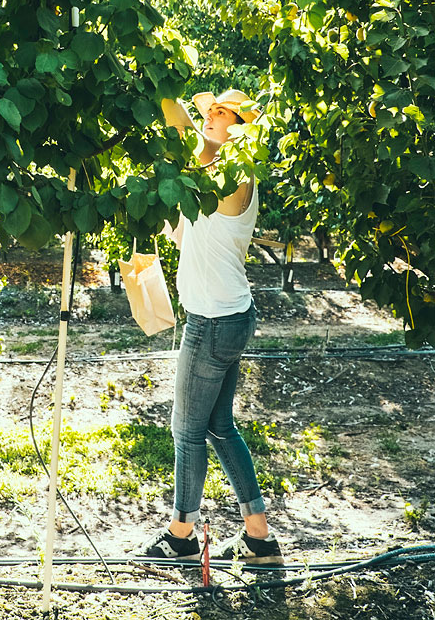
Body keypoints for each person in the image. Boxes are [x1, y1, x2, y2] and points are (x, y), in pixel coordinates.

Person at [141, 88, 283, 565]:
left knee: (186, 430)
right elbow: (186, 220)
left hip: (213, 323)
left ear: (240, 129)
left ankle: (180, 535)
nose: (213, 118)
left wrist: (154, 80)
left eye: (225, 114)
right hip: (227, 317)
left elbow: (181, 136)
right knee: (220, 427)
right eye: (212, 111)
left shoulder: (234, 177)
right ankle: (259, 536)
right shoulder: (208, 179)